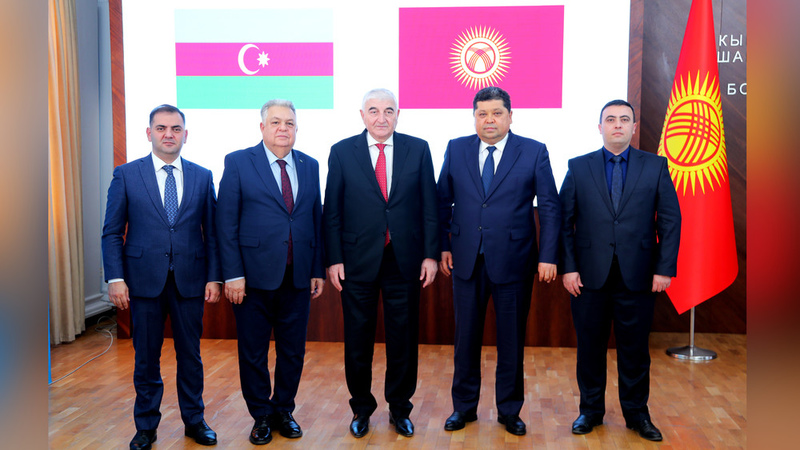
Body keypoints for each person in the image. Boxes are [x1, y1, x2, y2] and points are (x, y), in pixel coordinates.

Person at [437, 86, 561, 436]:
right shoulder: (456, 148)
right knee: (465, 340)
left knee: (511, 341)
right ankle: (463, 408)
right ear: (474, 117)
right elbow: (441, 201)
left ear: (510, 116)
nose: (489, 120)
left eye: (496, 113)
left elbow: (550, 207)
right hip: (466, 260)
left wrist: (548, 255)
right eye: (482, 113)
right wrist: (442, 245)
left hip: (515, 261)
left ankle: (509, 410)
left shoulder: (533, 151)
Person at [560, 99, 681, 442]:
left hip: (639, 275)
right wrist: (569, 268)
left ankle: (637, 414)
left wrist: (664, 269)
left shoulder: (655, 165)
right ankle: (590, 411)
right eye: (610, 119)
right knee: (590, 348)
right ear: (600, 127)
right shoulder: (578, 166)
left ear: (633, 127)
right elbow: (565, 222)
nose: (617, 125)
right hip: (588, 277)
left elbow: (670, 220)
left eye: (624, 119)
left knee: (635, 350)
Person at [102, 104, 221, 449]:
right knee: (146, 358)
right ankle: (146, 427)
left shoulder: (202, 176)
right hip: (142, 282)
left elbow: (212, 234)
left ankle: (195, 421)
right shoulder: (126, 175)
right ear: (149, 133)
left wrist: (214, 277)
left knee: (191, 357)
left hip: (190, 281)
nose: (169, 134)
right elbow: (111, 232)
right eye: (161, 128)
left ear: (185, 134)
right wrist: (115, 278)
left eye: (176, 129)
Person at [323, 88, 439, 438]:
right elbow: (332, 211)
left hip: (405, 260)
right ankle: (361, 409)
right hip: (356, 261)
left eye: (389, 111)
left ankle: (400, 409)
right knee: (358, 340)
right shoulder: (342, 152)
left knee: (403, 340)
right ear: (362, 116)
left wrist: (430, 254)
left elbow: (430, 206)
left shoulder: (418, 149)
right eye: (373, 110)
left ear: (397, 115)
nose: (381, 117)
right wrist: (334, 259)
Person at [216, 99, 325, 445]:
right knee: (253, 352)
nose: (283, 128)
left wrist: (317, 269)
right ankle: (261, 415)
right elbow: (225, 223)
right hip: (251, 279)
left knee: (293, 351)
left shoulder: (309, 165)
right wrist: (232, 274)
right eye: (276, 122)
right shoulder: (238, 162)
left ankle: (284, 410)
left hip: (297, 276)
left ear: (296, 129)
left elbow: (315, 220)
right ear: (262, 127)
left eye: (289, 123)